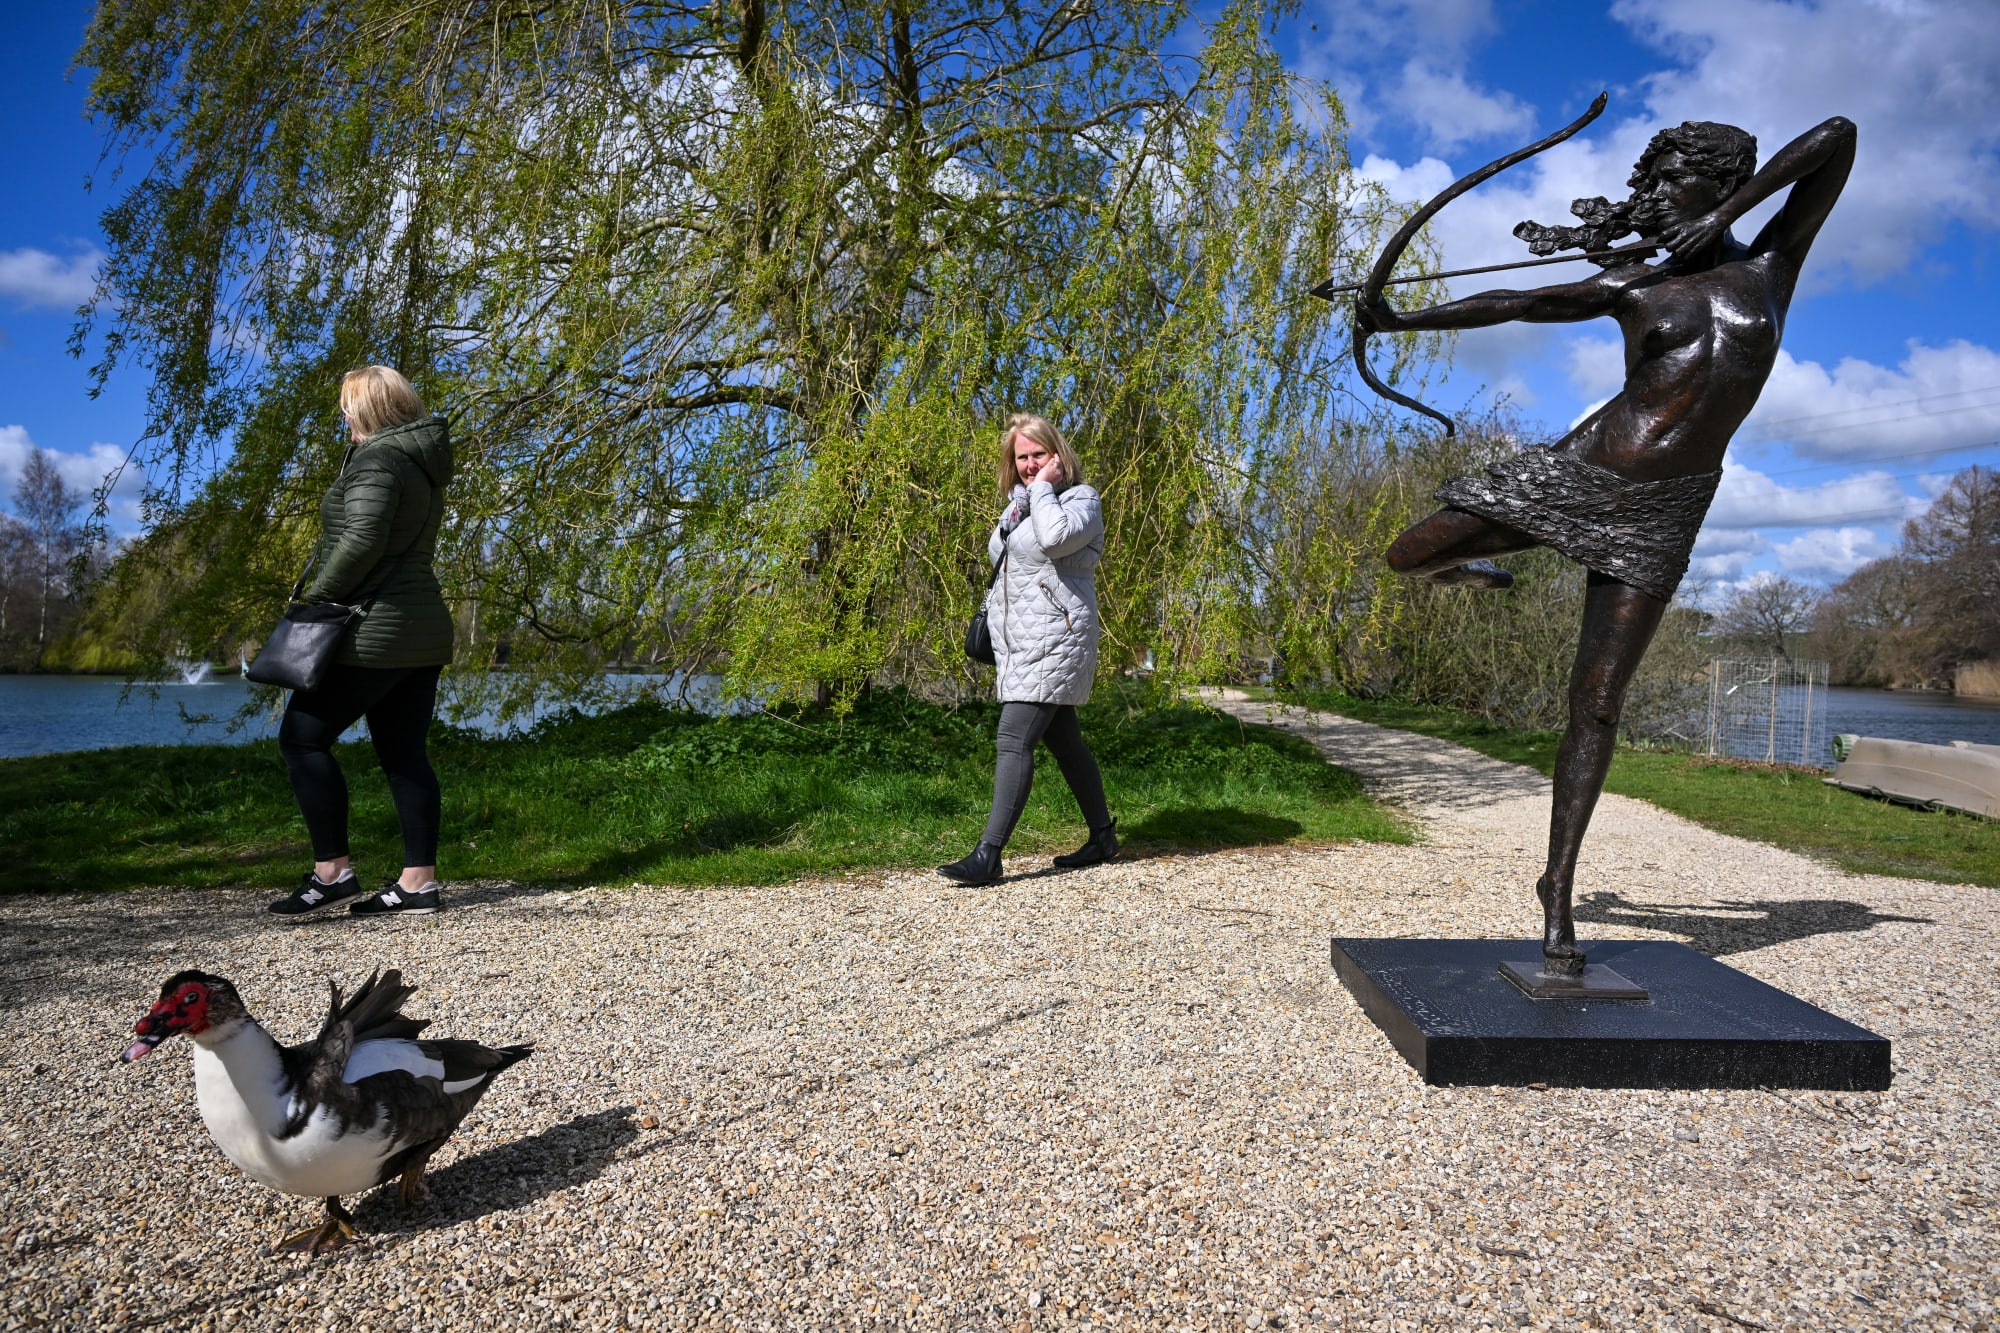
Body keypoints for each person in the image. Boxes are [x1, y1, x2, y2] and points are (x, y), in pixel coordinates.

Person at [1362, 115, 1855, 974]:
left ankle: (1558, 888)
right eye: (1651, 185)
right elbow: (1517, 302)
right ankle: (1472, 569)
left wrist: (1730, 212)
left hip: (1666, 509)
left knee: (1595, 703)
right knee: (1410, 552)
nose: (1656, 200)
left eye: (1671, 184)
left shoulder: (1772, 266)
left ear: (1718, 181)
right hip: (1580, 474)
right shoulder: (1636, 287)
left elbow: (1837, 138)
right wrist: (1401, 317)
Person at [265, 366, 457, 918]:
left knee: (302, 740)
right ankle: (417, 884)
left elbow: (364, 538)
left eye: (347, 407)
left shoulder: (379, 459)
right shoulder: (421, 462)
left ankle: (333, 874)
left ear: (368, 408)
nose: (343, 417)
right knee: (403, 753)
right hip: (419, 630)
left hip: (376, 630)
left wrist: (316, 599)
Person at [939, 414, 1117, 886]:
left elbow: (1056, 539)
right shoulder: (1017, 507)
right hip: (1022, 642)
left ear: (1057, 455)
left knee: (1013, 737)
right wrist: (1029, 498)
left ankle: (988, 855)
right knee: (1066, 742)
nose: (1029, 464)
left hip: (1057, 640)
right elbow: (1003, 560)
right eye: (1021, 457)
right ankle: (1103, 837)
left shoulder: (1082, 500)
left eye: (1038, 454)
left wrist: (1042, 489)